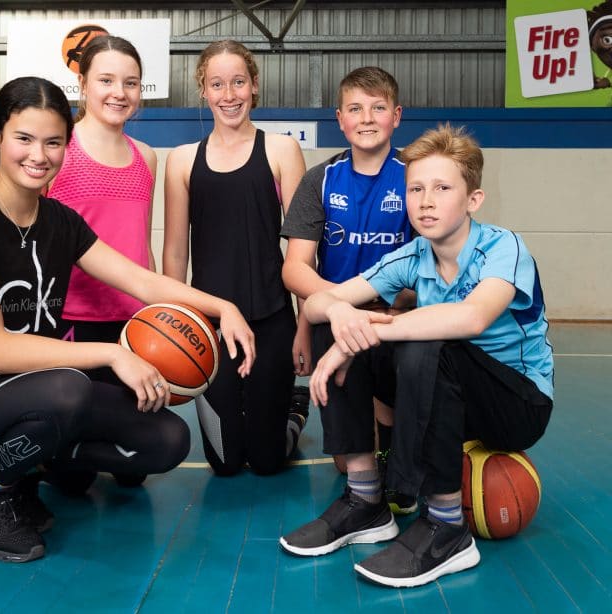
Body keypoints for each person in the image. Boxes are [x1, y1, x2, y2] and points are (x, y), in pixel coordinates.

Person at [0, 76, 255, 563]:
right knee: (69, 386)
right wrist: (113, 354)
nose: (39, 155)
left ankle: (29, 469)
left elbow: (141, 281)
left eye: (53, 142)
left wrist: (223, 307)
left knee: (166, 439)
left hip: (39, 393)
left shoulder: (61, 222)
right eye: (24, 138)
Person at [286, 124, 553, 587]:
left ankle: (447, 527)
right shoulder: (412, 256)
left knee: (423, 339)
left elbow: (471, 318)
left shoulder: (502, 247)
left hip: (517, 405)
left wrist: (366, 330)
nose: (426, 201)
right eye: (416, 189)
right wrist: (342, 317)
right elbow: (316, 303)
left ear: (473, 199)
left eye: (442, 188)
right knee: (340, 321)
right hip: (448, 396)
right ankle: (365, 500)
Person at [163, 39, 308, 477]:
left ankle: (293, 411)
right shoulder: (182, 160)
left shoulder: (282, 150)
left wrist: (305, 326)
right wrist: (173, 326)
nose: (229, 95)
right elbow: (175, 252)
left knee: (266, 462)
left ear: (254, 85)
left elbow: (303, 249)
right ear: (203, 90)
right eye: (217, 84)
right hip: (209, 328)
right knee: (225, 463)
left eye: (238, 82)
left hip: (271, 319)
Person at [279, 66, 416, 516]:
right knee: (345, 462)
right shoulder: (320, 179)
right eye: (355, 109)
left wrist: (394, 308)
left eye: (378, 108)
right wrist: (311, 320)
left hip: (398, 316)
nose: (367, 118)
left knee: (407, 377)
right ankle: (368, 440)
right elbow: (296, 268)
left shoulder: (415, 177)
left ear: (397, 115)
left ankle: (391, 434)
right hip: (339, 315)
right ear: (340, 119)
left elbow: (435, 266)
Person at [47, 35, 158, 488]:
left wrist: (156, 315)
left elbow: (142, 243)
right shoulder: (58, 150)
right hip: (72, 322)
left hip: (131, 326)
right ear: (82, 84)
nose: (119, 92)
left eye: (130, 83)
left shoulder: (146, 157)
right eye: (106, 80)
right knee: (73, 484)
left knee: (135, 473)